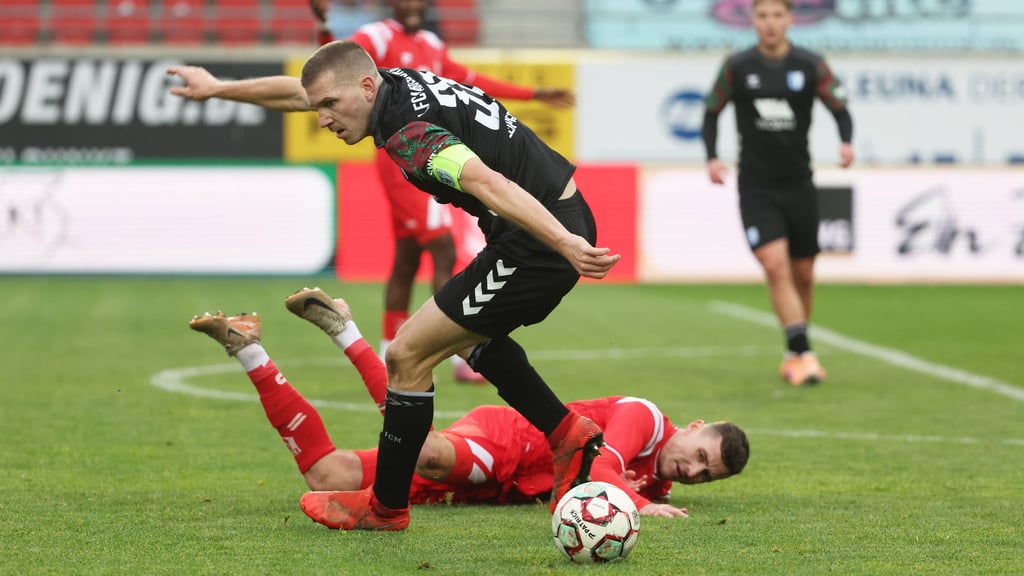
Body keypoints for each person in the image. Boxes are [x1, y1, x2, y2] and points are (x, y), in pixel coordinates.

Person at [168, 40, 620, 532]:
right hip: (539, 227)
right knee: (465, 340)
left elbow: (486, 182)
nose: (321, 119)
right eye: (320, 107)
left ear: (365, 87)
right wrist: (218, 89)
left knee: (406, 354)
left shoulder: (408, 133)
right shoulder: (388, 83)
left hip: (538, 241)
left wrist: (565, 241)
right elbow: (301, 93)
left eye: (329, 107)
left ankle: (386, 507)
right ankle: (567, 433)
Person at [188, 287, 750, 521]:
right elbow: (597, 464)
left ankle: (249, 348)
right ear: (693, 426)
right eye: (701, 454)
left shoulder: (660, 480)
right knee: (427, 451)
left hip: (484, 486)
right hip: (508, 442)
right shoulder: (646, 420)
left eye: (707, 475)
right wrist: (636, 506)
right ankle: (344, 329)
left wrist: (649, 498)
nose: (694, 470)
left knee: (323, 474)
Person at [309, 0, 576, 384]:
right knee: (442, 245)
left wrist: (532, 94)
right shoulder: (379, 36)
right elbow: (337, 68)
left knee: (408, 254)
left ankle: (388, 351)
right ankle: (463, 352)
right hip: (403, 155)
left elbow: (470, 81)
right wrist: (323, 26)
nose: (414, 5)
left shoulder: (432, 44)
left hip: (428, 157)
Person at [701, 0, 854, 386]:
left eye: (777, 16)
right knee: (774, 264)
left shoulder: (810, 64)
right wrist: (712, 157)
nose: (770, 23)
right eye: (762, 16)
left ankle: (792, 351)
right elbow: (711, 110)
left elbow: (839, 105)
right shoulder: (737, 66)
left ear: (790, 19)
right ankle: (803, 351)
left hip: (799, 184)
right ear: (753, 20)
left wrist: (846, 142)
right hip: (756, 185)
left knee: (803, 272)